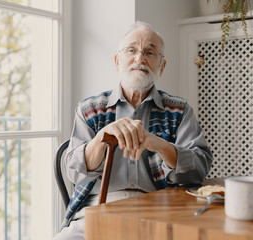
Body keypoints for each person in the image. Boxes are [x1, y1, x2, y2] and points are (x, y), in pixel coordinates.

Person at [54, 21, 213, 240]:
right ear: (117, 61)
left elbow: (199, 167)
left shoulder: (179, 109)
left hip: (159, 210)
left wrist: (159, 144)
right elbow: (74, 171)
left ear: (162, 66)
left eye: (149, 52)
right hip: (99, 208)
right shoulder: (90, 109)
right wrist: (101, 138)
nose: (140, 59)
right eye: (132, 50)